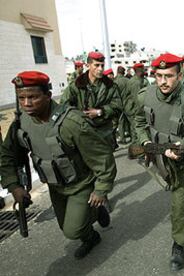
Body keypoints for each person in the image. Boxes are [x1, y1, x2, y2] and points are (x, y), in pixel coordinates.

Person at [0, 71, 117, 259]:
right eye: (21, 98)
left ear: (47, 95)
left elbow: (102, 157)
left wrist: (101, 189)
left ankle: (93, 217)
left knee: (73, 231)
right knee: (66, 227)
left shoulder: (72, 122)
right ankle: (91, 229)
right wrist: (14, 185)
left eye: (33, 97)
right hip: (55, 186)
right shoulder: (21, 121)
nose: (27, 103)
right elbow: (7, 155)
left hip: (81, 184)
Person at [133, 53, 184, 271]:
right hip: (158, 155)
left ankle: (178, 243)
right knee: (175, 190)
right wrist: (145, 141)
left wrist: (182, 147)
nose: (163, 82)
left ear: (180, 75)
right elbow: (138, 122)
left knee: (179, 204)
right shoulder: (144, 96)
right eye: (159, 76)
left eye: (169, 76)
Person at [61, 51, 122, 150]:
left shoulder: (111, 86)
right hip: (83, 133)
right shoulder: (76, 86)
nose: (100, 69)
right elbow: (64, 107)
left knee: (106, 163)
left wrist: (100, 111)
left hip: (104, 133)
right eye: (96, 65)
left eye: (102, 66)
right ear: (88, 65)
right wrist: (79, 117)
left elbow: (118, 106)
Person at [114, 66, 131, 144]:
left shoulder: (115, 81)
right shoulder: (128, 81)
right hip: (128, 103)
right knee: (130, 121)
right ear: (123, 72)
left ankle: (122, 139)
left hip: (119, 104)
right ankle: (132, 137)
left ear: (117, 72)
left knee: (121, 122)